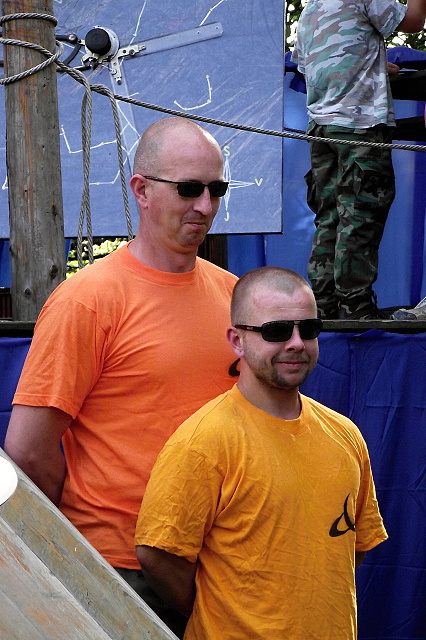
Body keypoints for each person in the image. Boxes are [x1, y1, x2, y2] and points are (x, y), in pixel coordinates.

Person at [4, 116, 238, 637]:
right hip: (122, 569)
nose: (205, 205)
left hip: (221, 565)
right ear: (142, 190)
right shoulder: (88, 300)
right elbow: (27, 450)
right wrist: (91, 527)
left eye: (216, 189)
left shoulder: (234, 296)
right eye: (189, 189)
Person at [135, 266, 388, 640]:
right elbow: (158, 555)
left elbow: (353, 547)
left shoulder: (344, 434)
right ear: (237, 340)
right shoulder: (203, 442)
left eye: (309, 329)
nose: (296, 343)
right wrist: (220, 612)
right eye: (277, 330)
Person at [291, 0, 426, 319]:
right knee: (361, 214)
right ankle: (355, 306)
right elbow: (414, 21)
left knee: (329, 216)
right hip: (359, 124)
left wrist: (373, 64)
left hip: (321, 128)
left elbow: (312, 67)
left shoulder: (310, 11)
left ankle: (322, 305)